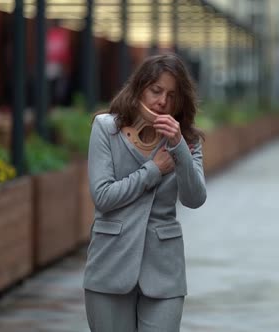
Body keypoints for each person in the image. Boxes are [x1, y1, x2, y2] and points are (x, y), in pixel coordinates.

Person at [83, 53, 207, 332]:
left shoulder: (187, 141)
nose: (163, 101)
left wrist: (178, 147)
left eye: (172, 95)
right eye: (156, 90)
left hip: (164, 270)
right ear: (140, 87)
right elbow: (103, 196)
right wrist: (153, 171)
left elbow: (195, 199)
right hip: (110, 264)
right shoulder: (106, 128)